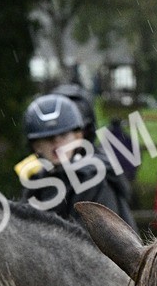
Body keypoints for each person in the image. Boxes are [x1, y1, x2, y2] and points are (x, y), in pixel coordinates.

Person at [16, 93, 136, 229]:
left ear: (79, 137)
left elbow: (90, 244)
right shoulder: (36, 183)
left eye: (63, 135)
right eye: (47, 138)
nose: (56, 142)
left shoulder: (95, 179)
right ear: (36, 146)